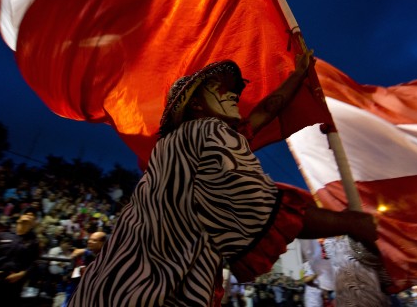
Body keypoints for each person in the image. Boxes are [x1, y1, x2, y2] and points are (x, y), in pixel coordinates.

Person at [69, 52, 377, 306]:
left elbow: (266, 110)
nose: (232, 93)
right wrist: (350, 223)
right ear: (197, 105)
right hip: (152, 294)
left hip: (107, 289)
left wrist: (297, 75)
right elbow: (258, 206)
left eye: (233, 88)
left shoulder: (180, 145)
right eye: (219, 89)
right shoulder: (205, 132)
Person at [0, 207, 41, 307]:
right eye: (27, 213)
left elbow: (33, 263)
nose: (29, 216)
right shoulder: (3, 235)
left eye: (33, 216)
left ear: (34, 223)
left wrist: (21, 274)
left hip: (13, 284)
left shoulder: (34, 242)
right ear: (19, 218)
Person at [63, 231, 108, 306]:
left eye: (94, 240)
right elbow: (69, 275)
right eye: (90, 239)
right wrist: (79, 271)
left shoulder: (107, 256)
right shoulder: (79, 254)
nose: (90, 242)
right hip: (75, 291)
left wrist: (87, 252)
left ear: (102, 243)